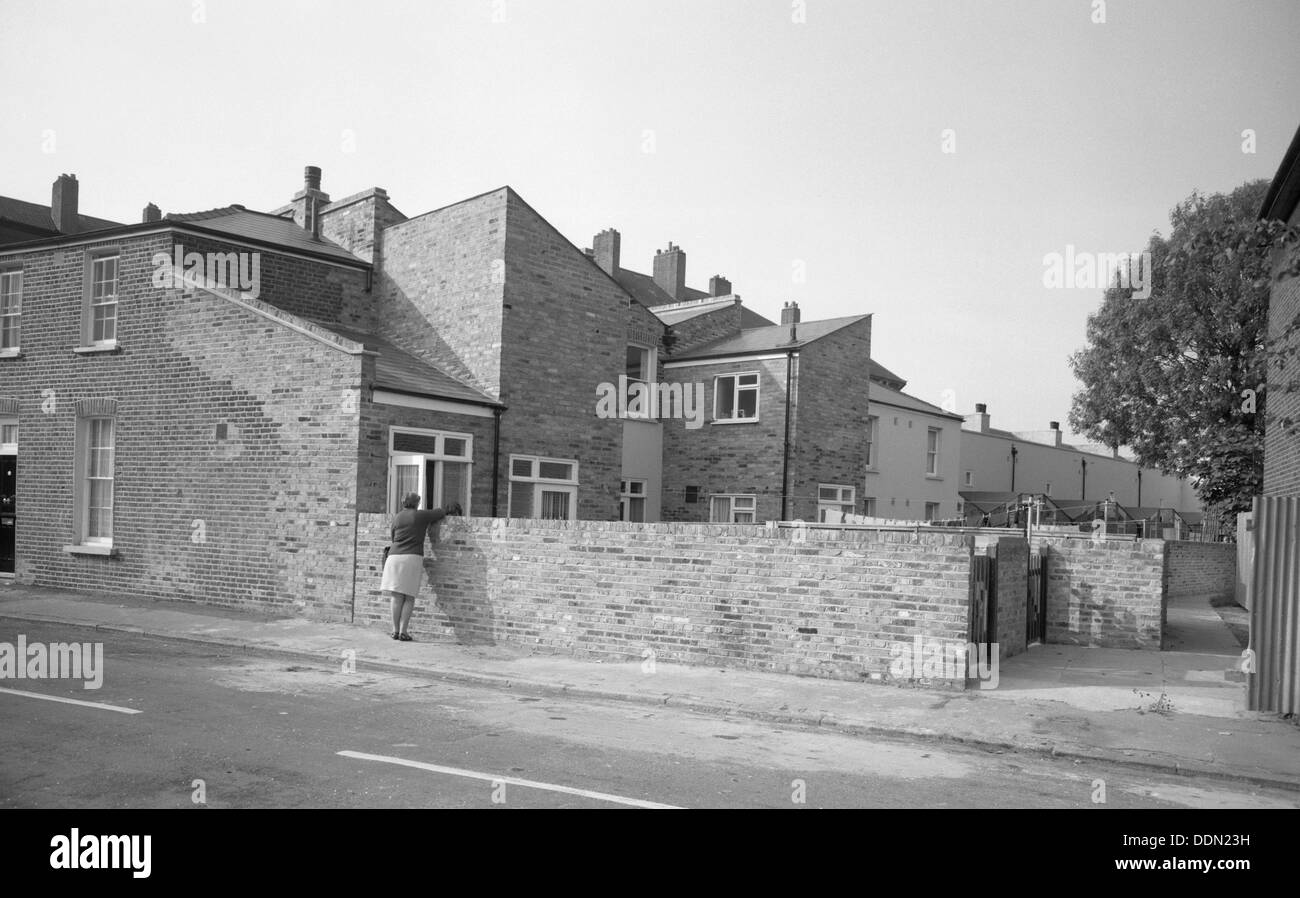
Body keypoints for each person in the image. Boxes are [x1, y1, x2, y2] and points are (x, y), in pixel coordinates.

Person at [382, 493, 463, 641]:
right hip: (411, 557)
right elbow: (440, 512)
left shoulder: (397, 517)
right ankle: (403, 632)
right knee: (409, 596)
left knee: (396, 596)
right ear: (416, 503)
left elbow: (393, 538)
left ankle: (394, 631)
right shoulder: (420, 515)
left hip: (393, 557)